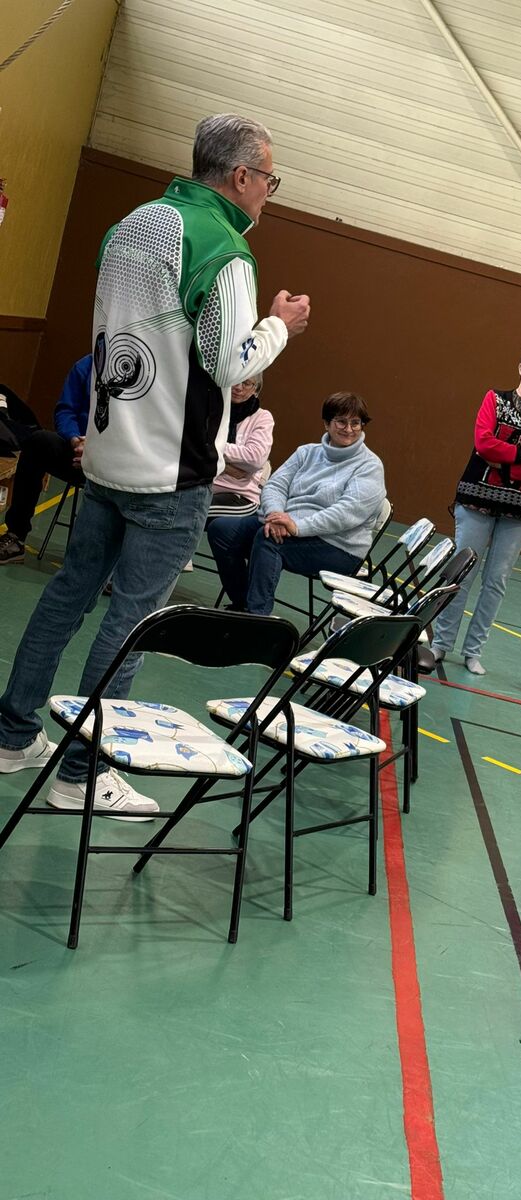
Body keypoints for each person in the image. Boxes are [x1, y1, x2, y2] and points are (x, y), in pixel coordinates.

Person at [0, 112, 311, 819]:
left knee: (68, 594)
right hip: (172, 472)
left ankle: (12, 733)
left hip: (108, 454)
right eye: (269, 179)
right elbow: (229, 364)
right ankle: (83, 773)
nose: (269, 193)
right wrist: (278, 327)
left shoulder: (131, 225)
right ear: (241, 176)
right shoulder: (224, 249)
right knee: (132, 623)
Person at [430, 344, 521, 675]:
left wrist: (503, 466)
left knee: (496, 581)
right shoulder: (494, 400)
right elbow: (483, 443)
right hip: (476, 501)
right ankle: (440, 644)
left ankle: (473, 651)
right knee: (461, 574)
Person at [207, 391, 385, 615]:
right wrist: (275, 514)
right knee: (221, 530)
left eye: (356, 423)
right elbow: (275, 485)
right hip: (288, 525)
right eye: (341, 421)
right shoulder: (306, 453)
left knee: (269, 540)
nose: (349, 429)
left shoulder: (369, 466)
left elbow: (346, 513)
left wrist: (297, 526)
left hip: (339, 546)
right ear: (326, 424)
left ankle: (256, 617)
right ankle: (242, 603)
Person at [0, 355, 91, 565]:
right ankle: (16, 536)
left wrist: (98, 451)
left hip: (118, 463)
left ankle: (115, 563)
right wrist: (75, 441)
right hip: (78, 451)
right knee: (39, 442)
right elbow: (65, 411)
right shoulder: (86, 365)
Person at [206, 372, 273, 519]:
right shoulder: (211, 409)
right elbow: (194, 446)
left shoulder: (262, 417)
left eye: (246, 383)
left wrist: (213, 447)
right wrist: (228, 467)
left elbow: (255, 458)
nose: (238, 387)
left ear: (255, 389)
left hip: (240, 494)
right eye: (236, 380)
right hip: (203, 486)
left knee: (192, 510)